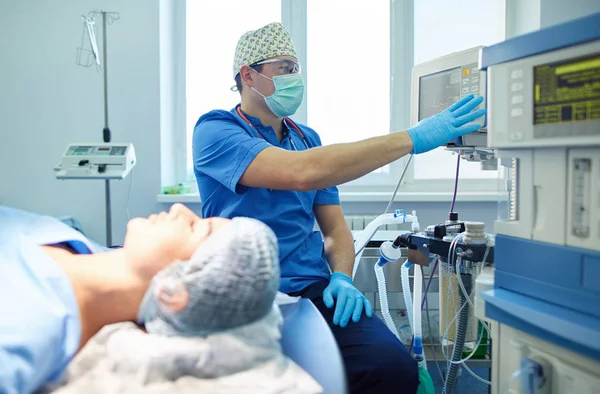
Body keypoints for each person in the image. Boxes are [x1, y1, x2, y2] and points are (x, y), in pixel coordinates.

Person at [192, 22, 486, 394]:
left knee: (392, 369)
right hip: (242, 294)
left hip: (309, 290)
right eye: (284, 68)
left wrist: (342, 278)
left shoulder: (305, 138)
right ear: (248, 75)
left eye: (296, 68)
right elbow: (301, 172)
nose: (294, 77)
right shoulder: (216, 130)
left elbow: (334, 230)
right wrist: (410, 138)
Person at [0, 203, 229, 394]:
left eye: (199, 227)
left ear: (177, 293)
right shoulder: (71, 241)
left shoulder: (25, 331)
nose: (179, 208)